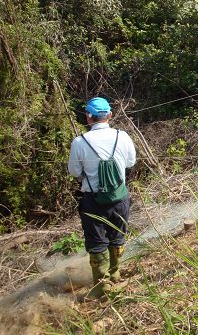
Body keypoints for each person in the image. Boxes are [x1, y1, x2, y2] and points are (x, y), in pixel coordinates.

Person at [68, 97, 136, 298]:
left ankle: (102, 285)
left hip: (93, 201)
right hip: (119, 198)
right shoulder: (122, 137)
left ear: (88, 117)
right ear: (110, 115)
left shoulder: (80, 141)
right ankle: (115, 276)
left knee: (97, 242)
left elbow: (74, 171)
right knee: (118, 236)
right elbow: (130, 162)